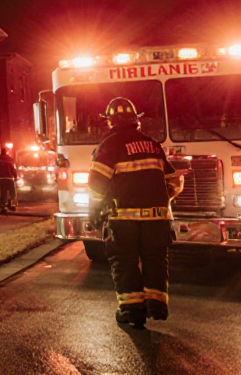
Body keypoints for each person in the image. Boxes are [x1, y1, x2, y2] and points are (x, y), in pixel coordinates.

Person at [88, 96, 184, 329]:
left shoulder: (109, 146)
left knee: (124, 262)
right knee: (156, 260)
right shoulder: (152, 144)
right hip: (157, 219)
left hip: (123, 220)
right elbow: (176, 181)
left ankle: (132, 310)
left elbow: (97, 184)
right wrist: (161, 199)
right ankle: (157, 304)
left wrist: (94, 209)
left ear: (109, 121)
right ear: (136, 119)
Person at [0, 146, 18, 214]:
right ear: (6, 152)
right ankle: (12, 205)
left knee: (3, 193)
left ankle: (2, 207)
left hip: (0, 178)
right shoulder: (10, 159)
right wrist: (15, 177)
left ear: (1, 151)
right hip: (9, 178)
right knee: (12, 192)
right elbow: (13, 169)